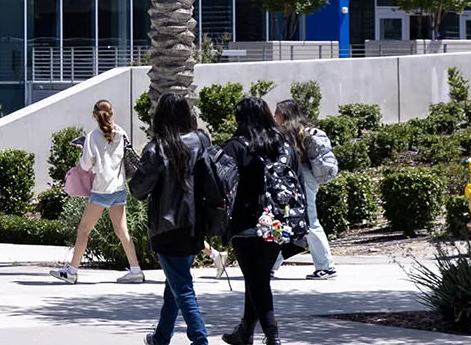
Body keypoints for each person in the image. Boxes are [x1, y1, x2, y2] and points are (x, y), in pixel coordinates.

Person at [129, 93, 213, 345]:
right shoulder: (201, 140)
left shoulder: (156, 148)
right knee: (175, 283)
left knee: (182, 286)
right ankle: (161, 337)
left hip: (166, 228)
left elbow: (138, 190)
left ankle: (200, 340)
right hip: (195, 225)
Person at [222, 98, 301, 345]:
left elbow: (222, 183)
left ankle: (272, 333)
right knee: (257, 277)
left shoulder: (236, 146)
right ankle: (245, 331)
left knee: (257, 280)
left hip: (247, 223)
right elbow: (296, 180)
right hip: (278, 222)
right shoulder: (284, 144)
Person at [51, 98, 147, 285]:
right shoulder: (121, 133)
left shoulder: (92, 136)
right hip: (119, 188)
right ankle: (135, 270)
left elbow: (86, 164)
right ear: (111, 114)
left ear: (94, 115)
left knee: (84, 230)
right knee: (122, 230)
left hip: (101, 190)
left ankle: (72, 271)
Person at [272, 99, 337, 280]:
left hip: (300, 178)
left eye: (276, 112)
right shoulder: (302, 131)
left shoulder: (289, 133)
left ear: (283, 114)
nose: (274, 116)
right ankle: (271, 265)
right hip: (306, 178)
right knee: (288, 220)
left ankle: (326, 266)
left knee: (308, 221)